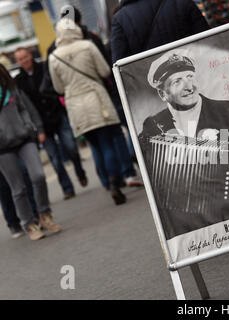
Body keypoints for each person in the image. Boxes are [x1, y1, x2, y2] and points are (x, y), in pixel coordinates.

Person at [138, 52, 229, 239]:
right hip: (189, 225)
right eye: (177, 81)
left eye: (190, 77)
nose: (188, 86)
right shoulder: (153, 125)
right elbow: (153, 173)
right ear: (162, 93)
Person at [46, 6, 142, 190]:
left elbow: (58, 87)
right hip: (97, 98)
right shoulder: (88, 44)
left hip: (74, 104)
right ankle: (118, 179)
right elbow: (105, 70)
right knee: (108, 141)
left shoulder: (53, 56)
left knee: (94, 145)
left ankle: (106, 182)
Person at [14, 47, 88, 200]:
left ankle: (79, 170)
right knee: (54, 158)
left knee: (71, 147)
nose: (24, 61)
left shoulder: (45, 68)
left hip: (57, 115)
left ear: (30, 56)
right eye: (20, 59)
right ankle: (67, 187)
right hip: (41, 125)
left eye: (25, 57)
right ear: (18, 62)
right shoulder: (18, 81)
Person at [0, 63, 61, 241]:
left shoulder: (9, 86)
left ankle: (44, 213)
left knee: (38, 176)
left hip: (24, 138)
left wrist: (30, 126)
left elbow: (25, 109)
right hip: (3, 148)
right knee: (18, 188)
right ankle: (28, 223)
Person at [110, 0, 210, 65]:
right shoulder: (182, 2)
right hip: (195, 73)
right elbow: (209, 42)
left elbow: (121, 66)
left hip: (152, 90)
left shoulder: (120, 20)